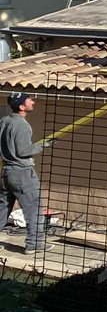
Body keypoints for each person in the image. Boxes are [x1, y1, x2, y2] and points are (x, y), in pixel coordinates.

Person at [2, 92, 48, 253]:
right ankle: (33, 244)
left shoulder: (4, 121)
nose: (33, 102)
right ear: (22, 106)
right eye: (29, 100)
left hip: (7, 172)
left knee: (2, 209)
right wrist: (43, 145)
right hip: (22, 173)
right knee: (34, 208)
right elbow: (23, 151)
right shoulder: (21, 125)